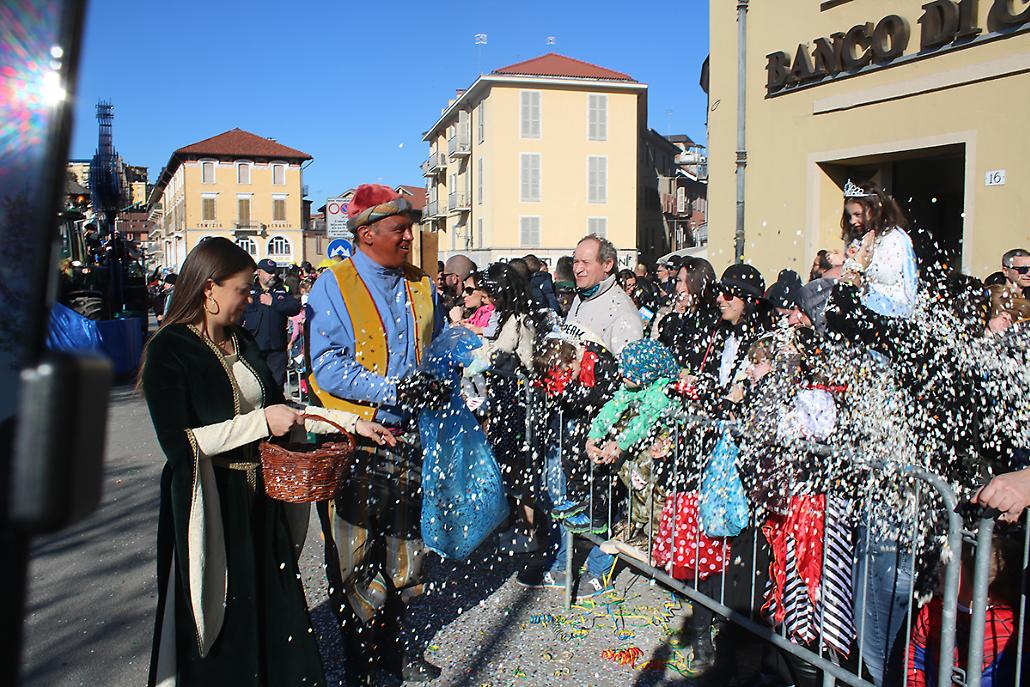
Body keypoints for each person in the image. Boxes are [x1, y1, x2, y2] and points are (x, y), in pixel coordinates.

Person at [140, 237, 395, 686]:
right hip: (212, 503)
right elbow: (180, 445)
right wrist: (259, 423)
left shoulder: (241, 340)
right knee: (222, 613)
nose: (251, 299)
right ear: (209, 289)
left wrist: (351, 424)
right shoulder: (170, 349)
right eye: (242, 290)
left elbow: (284, 409)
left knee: (274, 606)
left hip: (261, 499)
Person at [306, 184, 450, 685]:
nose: (409, 237)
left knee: (404, 550)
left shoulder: (421, 284)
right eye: (399, 229)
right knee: (355, 556)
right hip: (356, 443)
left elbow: (434, 351)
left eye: (409, 228)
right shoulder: (333, 285)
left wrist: (446, 379)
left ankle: (395, 650)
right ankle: (358, 660)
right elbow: (326, 367)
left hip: (409, 442)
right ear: (367, 234)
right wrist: (394, 389)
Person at [839, 180, 918, 318]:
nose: (852, 221)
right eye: (849, 216)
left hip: (891, 310)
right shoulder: (858, 238)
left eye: (858, 215)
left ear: (874, 210)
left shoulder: (894, 238)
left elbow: (889, 276)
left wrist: (861, 263)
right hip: (865, 306)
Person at [566, 234, 643, 356]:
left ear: (607, 265)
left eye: (586, 262)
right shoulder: (581, 297)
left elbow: (627, 370)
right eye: (575, 262)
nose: (578, 269)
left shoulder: (624, 314)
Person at [241, 258, 301, 389]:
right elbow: (239, 314)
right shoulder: (250, 289)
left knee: (276, 386)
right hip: (254, 346)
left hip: (276, 348)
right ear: (259, 272)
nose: (273, 275)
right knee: (255, 385)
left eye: (274, 271)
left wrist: (273, 303)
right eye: (269, 272)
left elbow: (295, 308)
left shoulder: (282, 290)